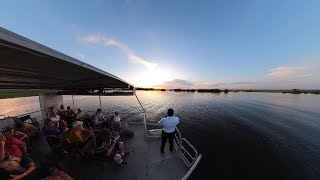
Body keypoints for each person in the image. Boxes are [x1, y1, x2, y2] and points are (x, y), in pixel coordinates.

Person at [0, 138, 73, 180]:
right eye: (6, 168)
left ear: (12, 158)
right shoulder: (11, 174)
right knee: (56, 178)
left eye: (9, 164)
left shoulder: (23, 159)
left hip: (39, 171)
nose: (9, 167)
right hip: (34, 178)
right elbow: (3, 163)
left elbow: (33, 166)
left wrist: (21, 175)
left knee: (59, 172)